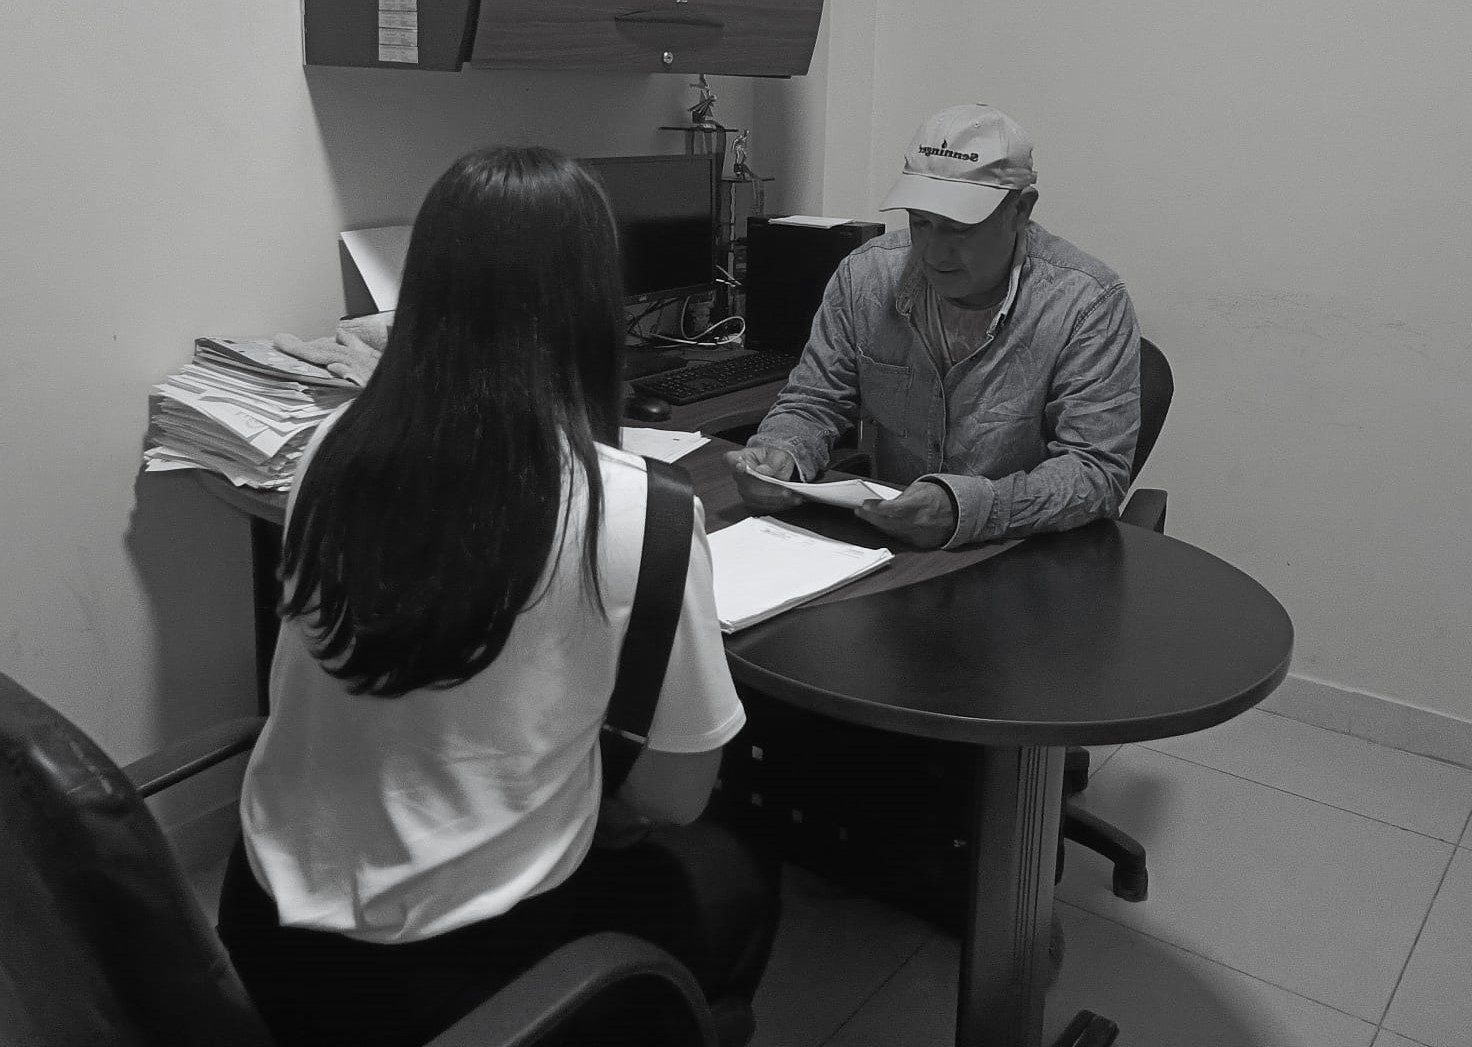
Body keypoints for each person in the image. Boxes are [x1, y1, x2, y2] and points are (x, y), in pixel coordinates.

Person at [217, 146, 778, 1047]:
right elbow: (676, 798)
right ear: (595, 307)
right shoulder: (641, 511)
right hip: (455, 983)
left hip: (264, 935)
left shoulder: (328, 447)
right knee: (735, 873)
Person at [726, 103, 1141, 549]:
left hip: (1030, 552)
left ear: (1021, 209)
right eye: (920, 222)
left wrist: (964, 508)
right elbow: (814, 401)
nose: (934, 252)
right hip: (894, 546)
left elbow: (1095, 473)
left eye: (960, 228)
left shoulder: (1087, 302)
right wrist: (782, 452)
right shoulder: (866, 277)